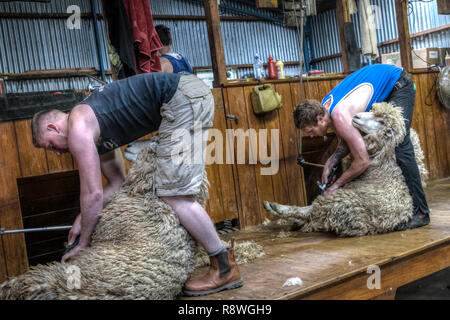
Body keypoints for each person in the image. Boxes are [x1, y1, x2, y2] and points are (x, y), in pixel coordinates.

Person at [30, 72, 242, 296]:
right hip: (185, 96)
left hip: (181, 97)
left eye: (50, 146)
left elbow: (92, 194)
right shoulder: (92, 128)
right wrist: (83, 218)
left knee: (175, 195)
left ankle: (224, 266)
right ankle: (220, 262)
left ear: (53, 128)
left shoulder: (78, 128)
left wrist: (83, 244)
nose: (56, 153)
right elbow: (116, 182)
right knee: (172, 191)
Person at [293, 64, 430, 230]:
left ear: (320, 120)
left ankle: (421, 213)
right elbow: (345, 140)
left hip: (399, 84)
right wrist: (331, 161)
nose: (312, 136)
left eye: (310, 131)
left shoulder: (339, 115)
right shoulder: (326, 105)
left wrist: (336, 186)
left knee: (400, 142)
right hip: (385, 83)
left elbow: (363, 161)